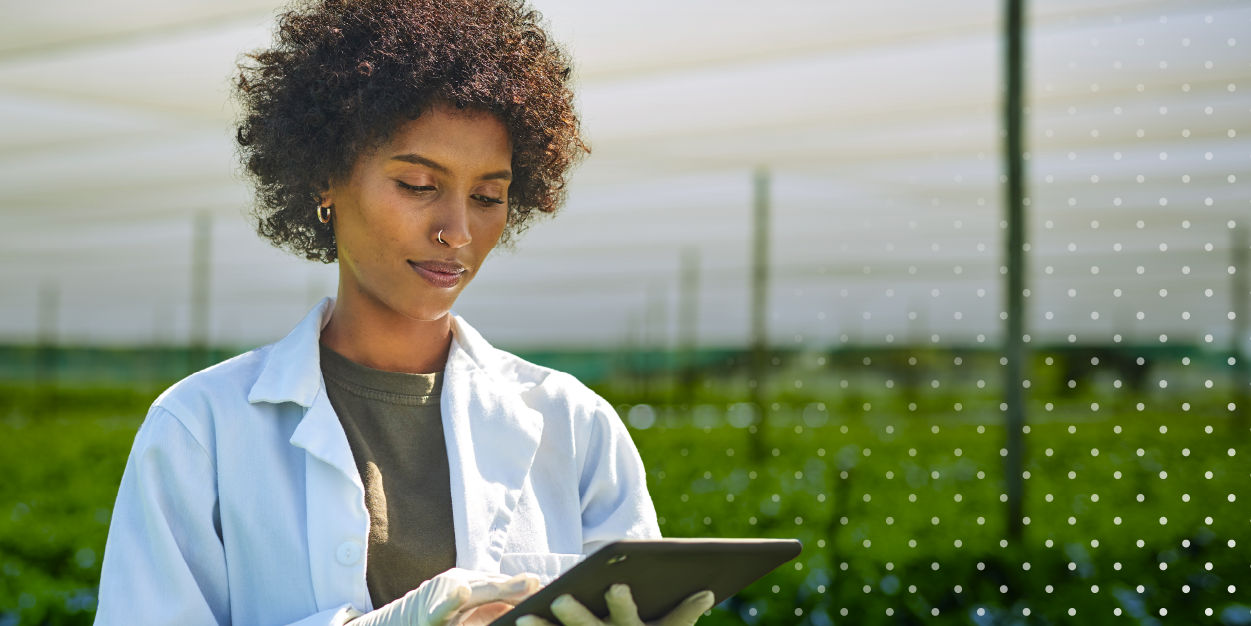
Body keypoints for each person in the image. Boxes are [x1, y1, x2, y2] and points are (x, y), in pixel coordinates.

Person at [94, 0, 714, 624]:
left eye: (487, 196)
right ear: (325, 179)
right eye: (419, 186)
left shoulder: (575, 426)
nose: (458, 231)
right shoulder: (200, 430)